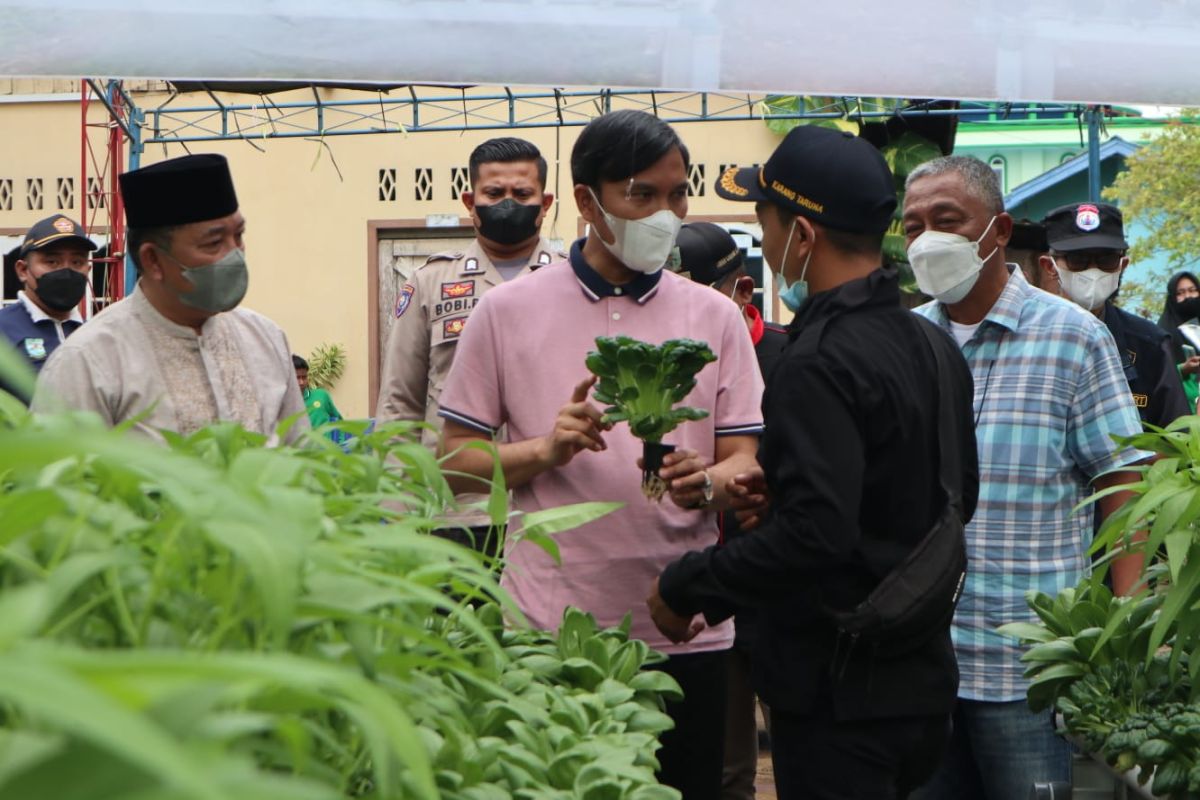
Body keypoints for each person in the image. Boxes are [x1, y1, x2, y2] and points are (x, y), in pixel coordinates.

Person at [436, 110, 764, 800]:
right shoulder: (505, 312)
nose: (666, 214)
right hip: (553, 631)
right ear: (587, 201)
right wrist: (544, 450)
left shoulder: (715, 315)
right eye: (641, 195)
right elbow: (454, 463)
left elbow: (744, 461)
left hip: (685, 626)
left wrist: (704, 484)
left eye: (678, 195)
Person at [649, 126, 979, 800]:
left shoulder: (818, 358)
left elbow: (816, 535)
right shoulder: (932, 343)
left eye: (765, 222)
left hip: (838, 693)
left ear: (802, 234)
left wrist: (688, 585)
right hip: (922, 682)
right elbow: (949, 497)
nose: (764, 244)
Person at [902, 157, 1146, 799]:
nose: (928, 240)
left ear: (1000, 229)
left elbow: (1124, 478)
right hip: (921, 667)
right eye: (913, 226)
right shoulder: (904, 340)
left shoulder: (1073, 337)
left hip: (1030, 673)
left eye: (947, 221)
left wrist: (1122, 623)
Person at [32, 153, 307, 442]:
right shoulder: (88, 361)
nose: (234, 254)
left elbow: (303, 458)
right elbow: (57, 478)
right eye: (214, 243)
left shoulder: (265, 339)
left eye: (238, 236)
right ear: (152, 260)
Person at [376, 137, 563, 552]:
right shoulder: (430, 282)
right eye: (494, 194)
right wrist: (395, 506)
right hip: (453, 513)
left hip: (546, 509)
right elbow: (400, 403)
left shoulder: (571, 282)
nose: (508, 204)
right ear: (469, 201)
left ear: (545, 202)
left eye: (522, 193)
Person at [674, 221, 786, 800]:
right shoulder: (665, 364)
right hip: (708, 587)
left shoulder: (789, 354)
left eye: (696, 290)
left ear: (742, 290)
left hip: (772, 577)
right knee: (727, 764)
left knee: (795, 748)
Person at [1038, 202, 1190, 427]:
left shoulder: (1150, 344)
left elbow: (1178, 435)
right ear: (1050, 267)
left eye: (1106, 260)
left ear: (1123, 265)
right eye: (1077, 260)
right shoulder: (1025, 339)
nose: (1092, 270)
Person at [0, 214, 97, 401]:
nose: (66, 271)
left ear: (88, 269)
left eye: (77, 262)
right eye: (52, 262)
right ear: (23, 270)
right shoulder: (3, 331)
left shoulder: (97, 335)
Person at [1158, 271, 1200, 412]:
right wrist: (1183, 369)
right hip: (1186, 414)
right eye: (1180, 293)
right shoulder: (1163, 333)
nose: (1188, 296)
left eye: (1192, 291)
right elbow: (1157, 374)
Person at [294, 354, 343, 428]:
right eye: (297, 378)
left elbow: (340, 422)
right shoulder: (284, 404)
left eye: (304, 377)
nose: (301, 382)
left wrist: (341, 439)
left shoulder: (321, 396)